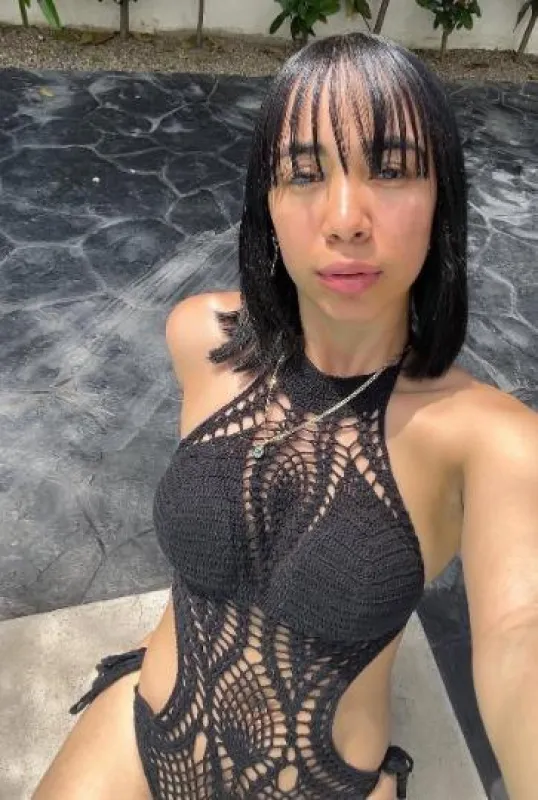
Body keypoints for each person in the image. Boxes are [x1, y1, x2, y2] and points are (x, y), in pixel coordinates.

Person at [34, 32, 538, 800]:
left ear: (442, 197)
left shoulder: (489, 439)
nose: (345, 217)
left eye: (391, 169)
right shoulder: (202, 338)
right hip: (145, 726)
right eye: (304, 174)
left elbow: (521, 637)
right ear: (266, 205)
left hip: (323, 781)